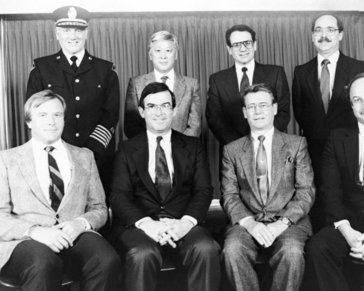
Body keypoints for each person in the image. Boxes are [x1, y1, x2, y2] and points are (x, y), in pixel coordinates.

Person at [0, 90, 120, 291]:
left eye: (57, 115)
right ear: (29, 122)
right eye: (43, 115)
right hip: (26, 240)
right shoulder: (6, 160)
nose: (51, 122)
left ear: (64, 120)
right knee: (43, 263)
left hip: (74, 236)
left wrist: (80, 223)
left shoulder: (85, 156)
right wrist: (36, 232)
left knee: (107, 260)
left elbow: (99, 208)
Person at [110, 82, 220, 291]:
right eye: (152, 106)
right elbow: (118, 196)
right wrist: (148, 224)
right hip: (140, 226)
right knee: (142, 254)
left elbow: (204, 190)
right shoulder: (126, 149)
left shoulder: (193, 147)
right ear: (142, 112)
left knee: (205, 248)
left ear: (174, 110)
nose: (159, 112)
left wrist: (184, 223)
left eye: (165, 105)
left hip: (183, 223)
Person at [305, 72, 364, 291]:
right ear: (351, 104)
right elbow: (330, 189)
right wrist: (348, 233)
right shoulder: (337, 138)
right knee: (318, 248)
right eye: (356, 100)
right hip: (351, 222)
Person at [221, 83, 315, 291]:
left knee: (291, 251)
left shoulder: (296, 144)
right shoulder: (232, 150)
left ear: (274, 109)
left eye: (263, 105)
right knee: (233, 249)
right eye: (252, 107)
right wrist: (250, 223)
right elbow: (229, 195)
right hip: (248, 221)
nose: (258, 111)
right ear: (245, 113)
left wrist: (281, 224)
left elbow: (305, 191)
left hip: (289, 222)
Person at [26, 6, 120, 193]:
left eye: (78, 30)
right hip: (54, 154)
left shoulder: (106, 71)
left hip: (97, 155)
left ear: (86, 33)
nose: (73, 36)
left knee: (97, 212)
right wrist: (60, 149)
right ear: (57, 34)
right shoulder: (41, 69)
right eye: (66, 30)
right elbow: (34, 115)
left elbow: (111, 115)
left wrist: (89, 152)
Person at [292, 14, 364, 231]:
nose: (324, 35)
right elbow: (299, 111)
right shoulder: (301, 72)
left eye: (330, 30)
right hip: (314, 151)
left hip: (350, 149)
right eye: (318, 30)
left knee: (350, 202)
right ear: (312, 36)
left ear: (341, 35)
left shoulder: (359, 68)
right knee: (319, 204)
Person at [206, 24, 290, 146]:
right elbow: (214, 118)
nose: (243, 48)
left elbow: (283, 111)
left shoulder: (275, 73)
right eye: (237, 45)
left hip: (269, 145)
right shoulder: (217, 80)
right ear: (229, 49)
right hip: (232, 150)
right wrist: (239, 146)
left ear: (254, 45)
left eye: (247, 43)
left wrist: (263, 138)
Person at [124, 30, 201, 138]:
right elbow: (131, 125)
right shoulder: (136, 84)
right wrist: (153, 146)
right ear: (150, 55)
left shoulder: (191, 85)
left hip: (182, 150)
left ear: (176, 55)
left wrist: (179, 148)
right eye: (158, 51)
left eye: (168, 51)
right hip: (147, 151)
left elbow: (195, 125)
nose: (163, 56)